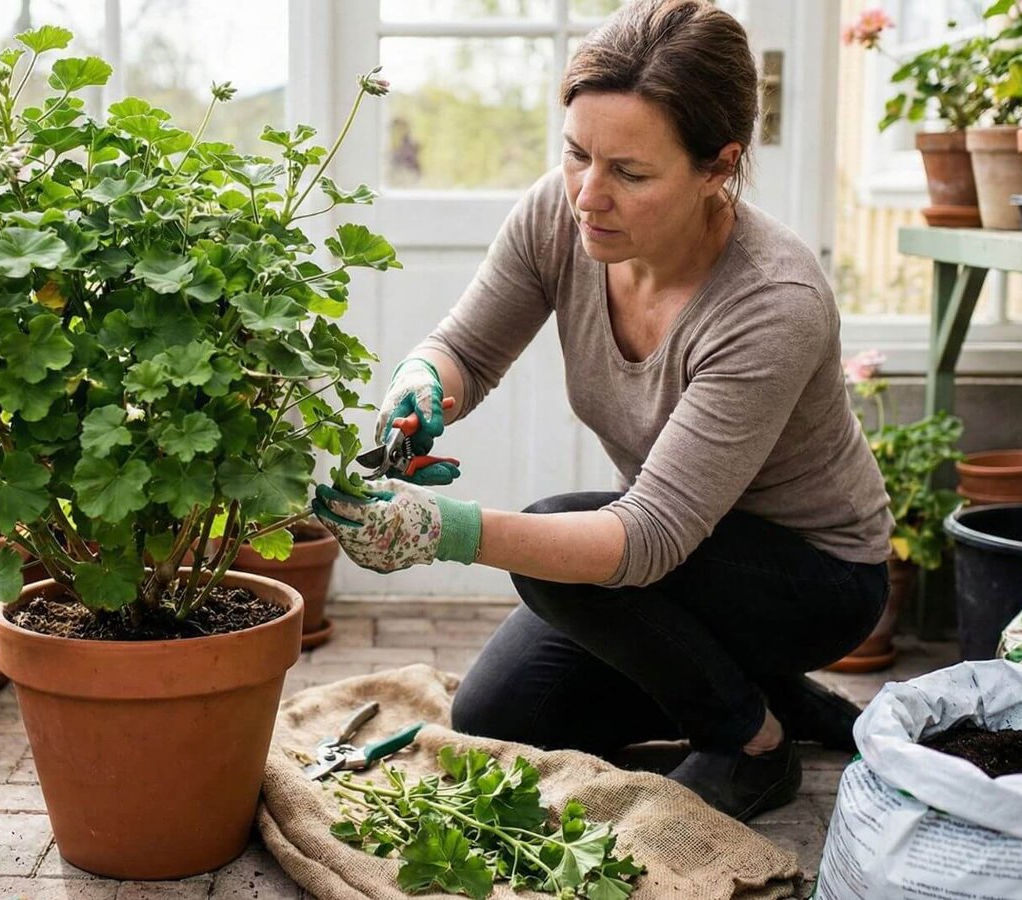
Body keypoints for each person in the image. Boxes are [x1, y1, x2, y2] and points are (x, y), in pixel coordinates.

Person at [311, 0, 892, 822]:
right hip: (683, 565)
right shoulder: (562, 212)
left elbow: (647, 538)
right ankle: (773, 696)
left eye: (631, 172)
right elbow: (467, 351)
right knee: (501, 717)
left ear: (719, 166)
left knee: (551, 544)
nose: (588, 194)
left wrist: (444, 530)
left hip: (811, 577)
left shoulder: (773, 302)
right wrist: (421, 382)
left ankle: (753, 741)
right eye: (577, 152)